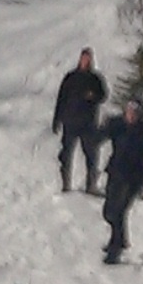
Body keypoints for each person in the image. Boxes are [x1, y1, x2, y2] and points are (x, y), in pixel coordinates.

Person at [100, 98, 143, 264]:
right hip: (115, 173)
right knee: (108, 212)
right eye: (129, 112)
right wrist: (101, 126)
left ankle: (115, 250)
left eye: (135, 113)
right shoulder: (117, 125)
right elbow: (98, 137)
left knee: (119, 211)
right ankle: (121, 239)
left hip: (135, 177)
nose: (131, 116)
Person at [51, 46, 108, 193]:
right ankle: (65, 184)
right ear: (80, 59)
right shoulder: (70, 78)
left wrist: (93, 96)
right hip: (70, 122)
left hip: (88, 123)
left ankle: (90, 185)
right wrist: (56, 119)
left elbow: (103, 95)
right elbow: (61, 99)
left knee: (91, 155)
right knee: (66, 154)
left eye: (88, 58)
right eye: (83, 58)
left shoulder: (95, 79)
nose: (85, 61)